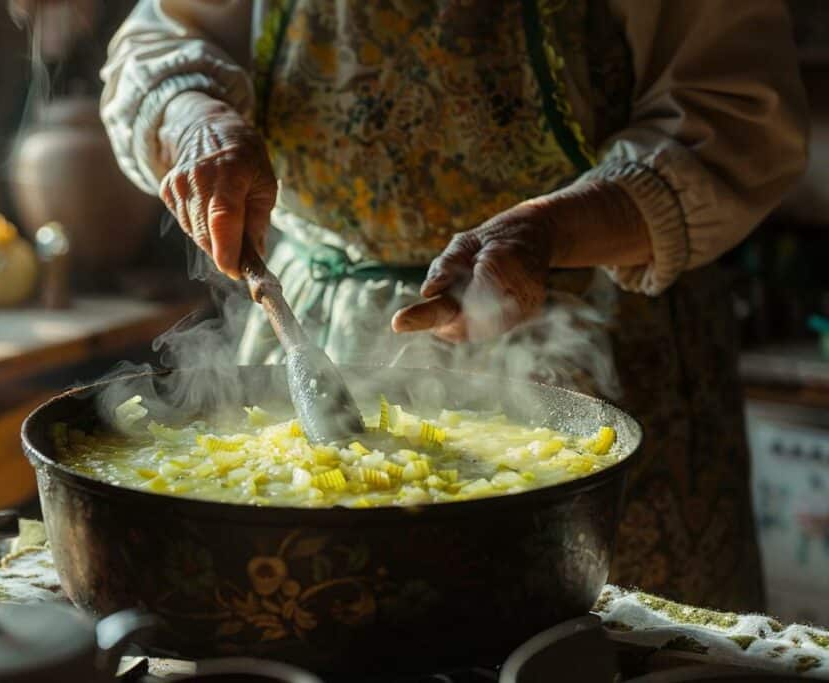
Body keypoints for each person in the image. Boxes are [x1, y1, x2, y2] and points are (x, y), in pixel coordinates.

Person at [99, 0, 808, 612]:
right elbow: (161, 36)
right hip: (314, 326)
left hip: (601, 335)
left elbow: (737, 115)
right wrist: (194, 118)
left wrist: (549, 229)